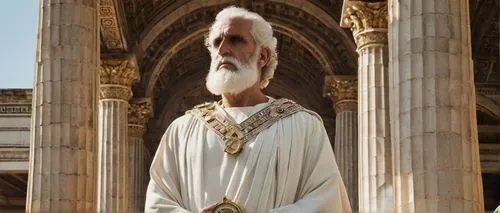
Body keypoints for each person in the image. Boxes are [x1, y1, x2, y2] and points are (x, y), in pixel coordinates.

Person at [145, 6, 351, 213]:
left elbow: (326, 202)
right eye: (217, 42)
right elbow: (158, 203)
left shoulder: (305, 127)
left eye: (235, 40)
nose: (223, 50)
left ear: (262, 56)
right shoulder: (181, 130)